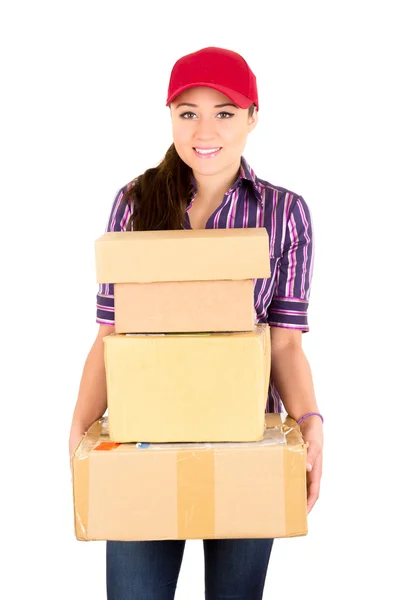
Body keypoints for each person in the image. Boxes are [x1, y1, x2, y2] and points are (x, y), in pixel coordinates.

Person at [69, 46, 324, 600]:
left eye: (224, 113)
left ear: (253, 118)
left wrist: (311, 422)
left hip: (246, 441)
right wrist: (78, 435)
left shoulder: (285, 214)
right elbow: (111, 338)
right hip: (145, 444)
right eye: (188, 112)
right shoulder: (136, 203)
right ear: (170, 118)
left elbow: (284, 347)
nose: (204, 129)